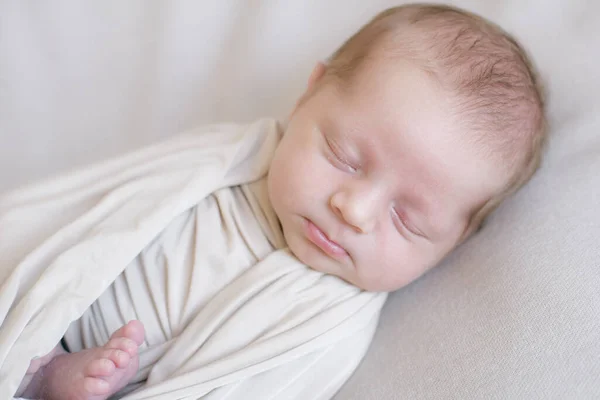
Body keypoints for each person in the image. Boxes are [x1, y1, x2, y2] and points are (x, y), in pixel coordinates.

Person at [17, 3, 546, 399]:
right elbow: (94, 211)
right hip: (45, 318)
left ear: (455, 243)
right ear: (309, 94)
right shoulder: (229, 158)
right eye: (343, 155)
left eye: (406, 220)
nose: (353, 211)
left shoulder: (326, 326)